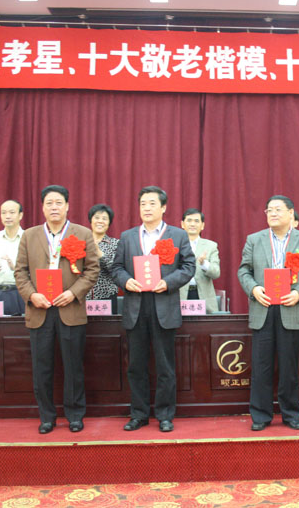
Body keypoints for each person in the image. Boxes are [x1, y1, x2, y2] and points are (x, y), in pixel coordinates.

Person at [14, 185, 100, 434]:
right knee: (42, 367)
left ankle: (75, 415)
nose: (54, 207)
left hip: (69, 308)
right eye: (49, 203)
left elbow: (92, 269)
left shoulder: (82, 233)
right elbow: (20, 271)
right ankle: (47, 417)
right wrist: (32, 295)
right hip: (39, 309)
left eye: (58, 203)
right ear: (42, 207)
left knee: (73, 366)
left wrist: (73, 293)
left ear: (67, 206)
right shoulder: (29, 235)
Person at [111, 186, 195, 433]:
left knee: (165, 365)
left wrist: (168, 282)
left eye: (151, 203)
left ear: (163, 207)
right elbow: (116, 268)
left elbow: (189, 267)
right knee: (136, 365)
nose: (146, 208)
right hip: (135, 306)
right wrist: (126, 281)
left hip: (164, 304)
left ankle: (165, 415)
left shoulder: (178, 235)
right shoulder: (127, 236)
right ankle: (138, 414)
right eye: (143, 204)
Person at [238, 195, 299, 431]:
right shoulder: (254, 240)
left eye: (278, 209)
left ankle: (291, 414)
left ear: (291, 213)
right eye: (269, 210)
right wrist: (254, 289)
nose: (273, 214)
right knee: (261, 366)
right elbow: (244, 270)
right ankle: (261, 415)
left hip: (290, 307)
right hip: (262, 307)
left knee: (289, 367)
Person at [179, 208, 220, 313]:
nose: (193, 224)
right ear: (182, 224)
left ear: (202, 225)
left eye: (196, 221)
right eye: (189, 220)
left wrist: (204, 263)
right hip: (180, 295)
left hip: (203, 296)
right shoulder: (175, 244)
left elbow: (216, 273)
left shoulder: (211, 246)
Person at [86, 203, 120, 314]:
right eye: (97, 218)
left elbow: (115, 270)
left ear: (109, 222)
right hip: (83, 296)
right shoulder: (81, 242)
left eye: (104, 219)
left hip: (107, 296)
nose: (100, 221)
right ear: (91, 220)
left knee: (106, 325)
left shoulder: (116, 244)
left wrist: (100, 254)